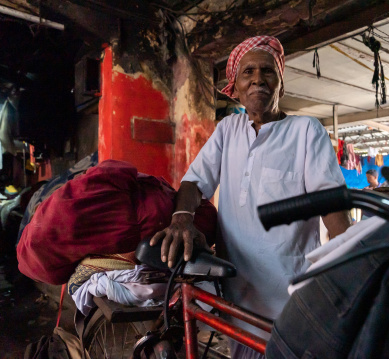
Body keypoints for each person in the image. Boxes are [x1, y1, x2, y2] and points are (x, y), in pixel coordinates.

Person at [150, 35, 351, 358]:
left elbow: (332, 205)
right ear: (236, 86)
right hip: (235, 296)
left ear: (281, 85)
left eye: (268, 71)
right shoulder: (228, 129)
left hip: (288, 300)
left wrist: (356, 259)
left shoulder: (306, 131)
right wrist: (182, 219)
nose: (258, 78)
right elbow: (193, 182)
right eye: (249, 72)